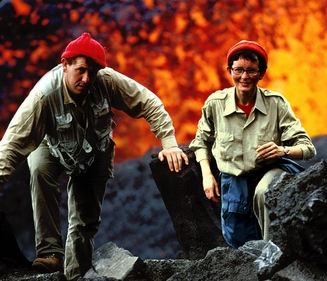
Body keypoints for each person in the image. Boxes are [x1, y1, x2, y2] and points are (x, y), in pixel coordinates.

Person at [0, 32, 188, 280]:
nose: (87, 78)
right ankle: (49, 253)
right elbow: (11, 145)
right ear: (64, 65)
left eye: (93, 71)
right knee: (38, 172)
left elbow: (149, 103)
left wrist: (169, 143)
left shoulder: (107, 80)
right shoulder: (43, 95)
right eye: (80, 70)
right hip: (52, 146)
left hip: (94, 152)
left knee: (83, 221)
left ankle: (75, 273)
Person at [189, 40, 316, 248]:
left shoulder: (276, 103)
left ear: (261, 73)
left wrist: (282, 150)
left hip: (269, 172)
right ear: (229, 71)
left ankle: (273, 256)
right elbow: (201, 141)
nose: (244, 76)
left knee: (264, 192)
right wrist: (207, 175)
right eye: (238, 70)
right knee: (238, 239)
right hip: (234, 179)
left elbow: (307, 147)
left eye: (251, 70)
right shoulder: (215, 104)